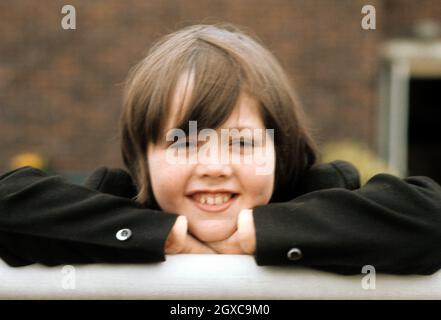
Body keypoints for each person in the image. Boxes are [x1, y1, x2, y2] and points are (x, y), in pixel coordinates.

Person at [1, 24, 441, 275]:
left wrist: (268, 234)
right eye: (183, 141)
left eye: (243, 143)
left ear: (279, 151)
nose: (214, 166)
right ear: (143, 158)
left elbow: (431, 217)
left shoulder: (323, 197)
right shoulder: (109, 209)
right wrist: (163, 237)